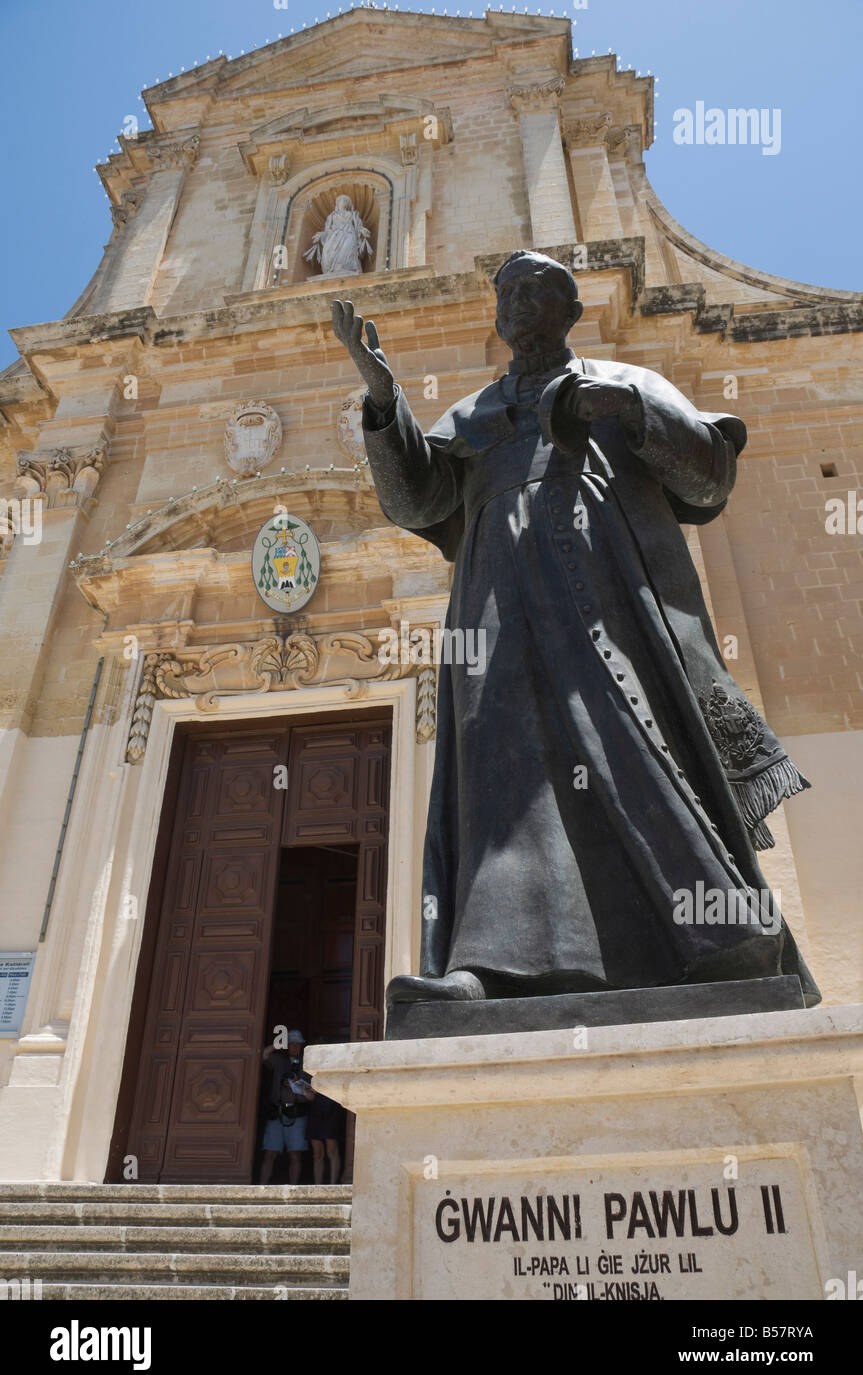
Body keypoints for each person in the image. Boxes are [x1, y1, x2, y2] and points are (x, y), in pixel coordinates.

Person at [330, 250, 820, 1008]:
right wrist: (383, 402)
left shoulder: (626, 384)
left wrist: (627, 410)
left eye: (531, 291)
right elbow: (417, 501)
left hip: (605, 602)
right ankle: (492, 964)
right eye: (504, 295)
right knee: (503, 776)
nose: (514, 306)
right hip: (495, 610)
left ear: (568, 310)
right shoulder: (475, 413)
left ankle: (722, 937)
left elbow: (707, 478)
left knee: (627, 745)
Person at [259, 1029, 314, 1184]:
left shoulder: (307, 1066)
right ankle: (262, 1188)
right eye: (291, 1044)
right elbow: (264, 1055)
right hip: (277, 1112)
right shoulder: (279, 1062)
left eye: (298, 1044)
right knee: (269, 1153)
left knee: (295, 1154)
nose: (295, 1047)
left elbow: (312, 1095)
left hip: (297, 1114)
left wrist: (295, 1084)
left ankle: (293, 1189)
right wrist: (278, 1045)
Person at [306, 1038, 344, 1184]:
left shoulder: (336, 1066)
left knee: (332, 1150)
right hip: (315, 1110)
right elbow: (309, 1091)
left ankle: (333, 1185)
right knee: (317, 1153)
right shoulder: (310, 1068)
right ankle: (318, 1185)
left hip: (331, 1108)